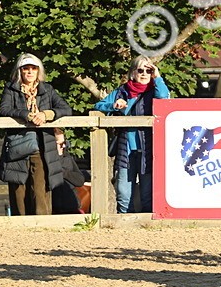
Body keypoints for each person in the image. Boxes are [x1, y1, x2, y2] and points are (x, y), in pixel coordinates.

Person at [0, 53, 73, 215]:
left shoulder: (48, 90)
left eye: (33, 68)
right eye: (26, 68)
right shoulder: (11, 88)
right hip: (18, 146)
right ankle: (20, 230)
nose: (30, 72)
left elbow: (66, 109)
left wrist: (47, 114)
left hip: (43, 147)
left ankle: (43, 229)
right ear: (20, 71)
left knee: (41, 192)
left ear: (39, 71)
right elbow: (4, 110)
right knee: (19, 192)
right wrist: (26, 115)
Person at [95, 55, 170, 213]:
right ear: (132, 73)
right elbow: (99, 105)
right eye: (140, 70)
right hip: (126, 149)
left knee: (147, 193)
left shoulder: (154, 91)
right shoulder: (122, 91)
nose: (144, 74)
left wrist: (158, 77)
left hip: (149, 148)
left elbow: (164, 98)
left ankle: (147, 227)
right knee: (123, 192)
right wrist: (114, 105)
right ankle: (123, 227)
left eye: (148, 70)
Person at [51, 129, 91, 215]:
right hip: (53, 208)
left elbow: (80, 180)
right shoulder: (46, 161)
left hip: (72, 205)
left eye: (64, 143)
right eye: (60, 144)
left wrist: (63, 173)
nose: (64, 146)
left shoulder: (68, 158)